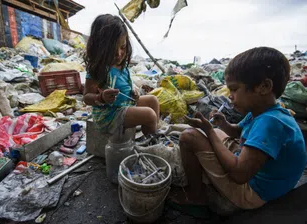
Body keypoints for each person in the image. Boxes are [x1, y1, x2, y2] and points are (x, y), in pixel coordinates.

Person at [177, 47, 306, 212]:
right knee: (217, 132)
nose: (230, 96)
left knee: (189, 137)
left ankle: (196, 196)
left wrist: (208, 131)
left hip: (253, 193)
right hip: (266, 177)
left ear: (264, 86)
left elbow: (239, 175)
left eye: (234, 89)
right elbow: (237, 131)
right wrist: (222, 124)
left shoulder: (270, 122)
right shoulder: (264, 111)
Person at [83, 14, 159, 138]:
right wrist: (101, 97)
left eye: (122, 47)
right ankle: (151, 143)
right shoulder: (98, 68)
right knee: (149, 114)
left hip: (125, 105)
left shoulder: (123, 67)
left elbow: (126, 88)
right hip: (108, 115)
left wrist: (133, 93)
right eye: (113, 49)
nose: (119, 54)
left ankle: (151, 134)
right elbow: (86, 97)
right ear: (100, 47)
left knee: (152, 100)